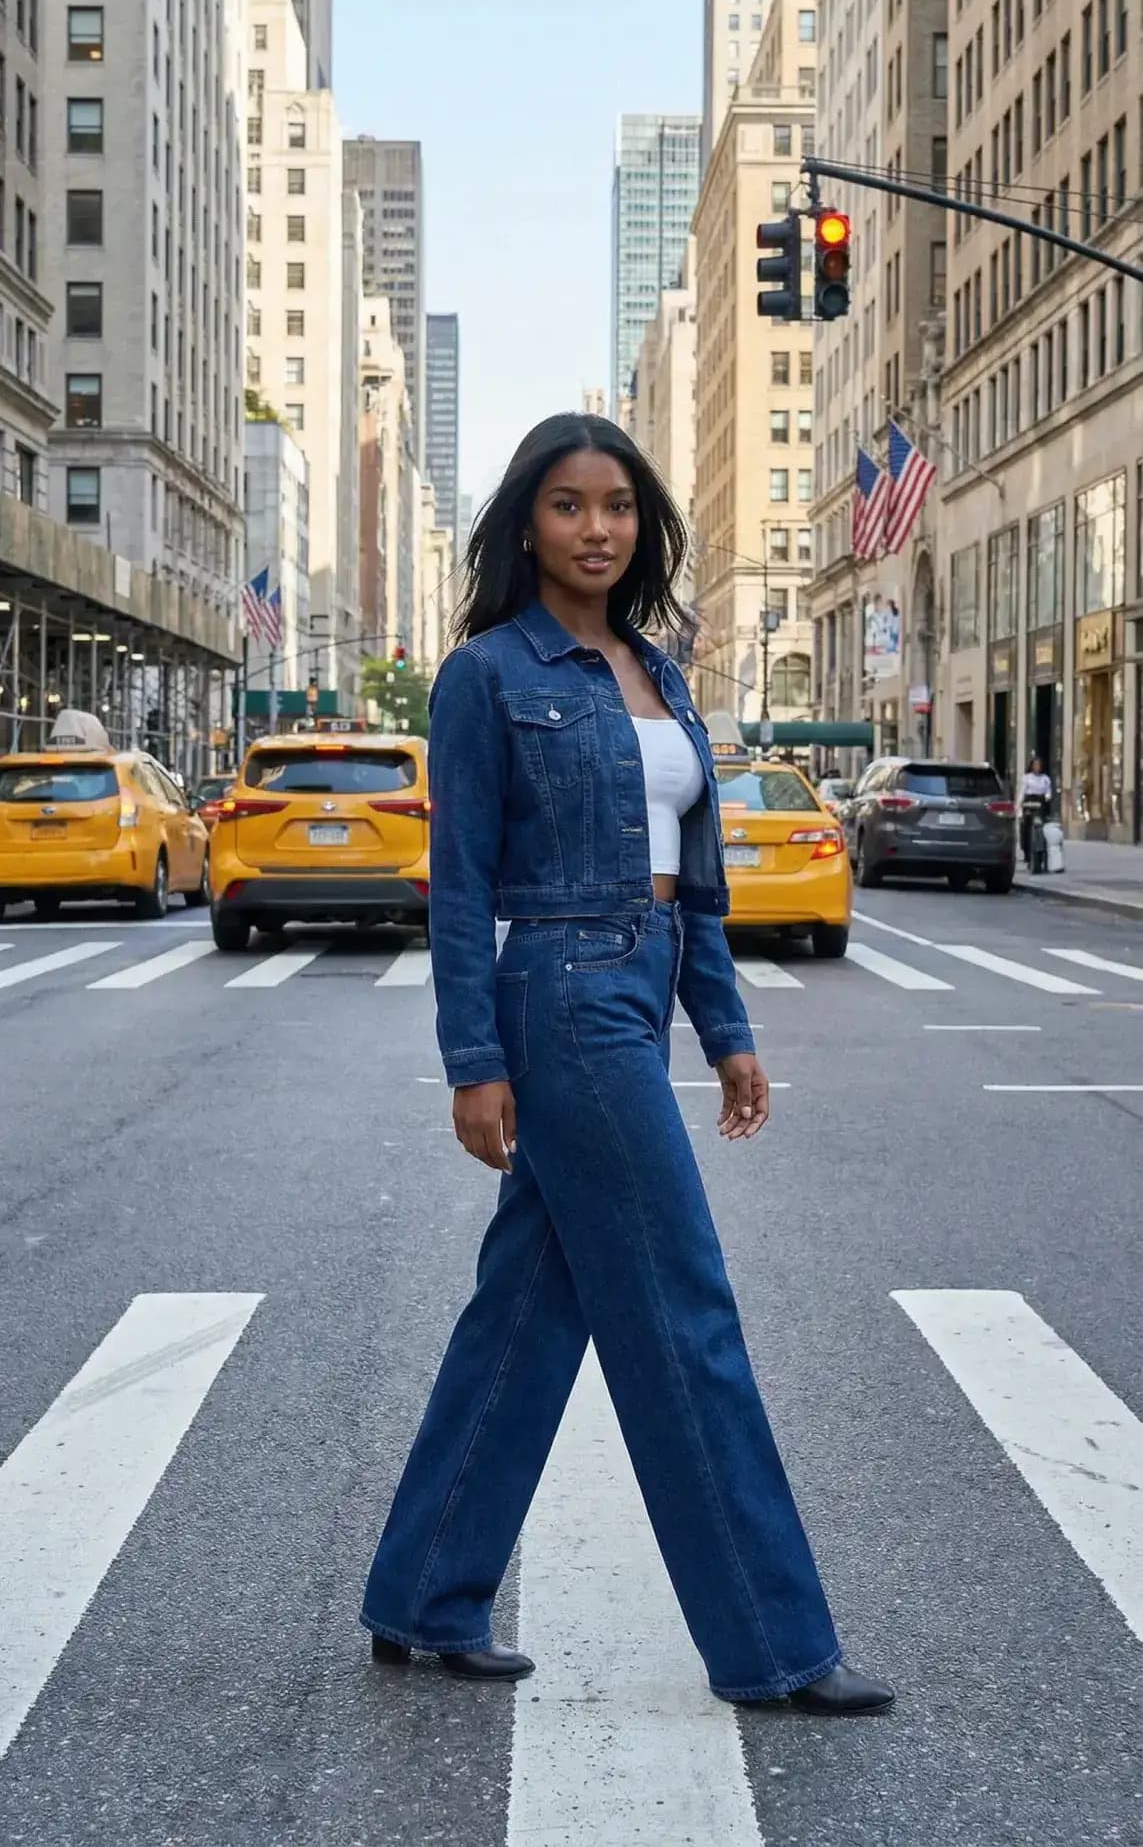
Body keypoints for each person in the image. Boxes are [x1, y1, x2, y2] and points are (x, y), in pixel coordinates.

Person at [360, 413, 893, 1716]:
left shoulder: (661, 674)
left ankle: (424, 1593)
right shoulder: (486, 675)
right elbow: (458, 885)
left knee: (532, 1307)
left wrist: (724, 1031)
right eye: (564, 505)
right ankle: (773, 1645)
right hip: (558, 990)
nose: (594, 528)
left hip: (640, 980)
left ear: (641, 525)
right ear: (524, 525)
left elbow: (694, 891)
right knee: (680, 1308)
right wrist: (472, 1056)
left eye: (615, 506)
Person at [1018, 754, 1052, 866]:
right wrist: (1018, 804)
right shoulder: (1026, 778)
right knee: (1026, 825)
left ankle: (1040, 849)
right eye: (1035, 765)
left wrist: (1047, 797)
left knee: (1040, 825)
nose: (1037, 767)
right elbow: (1022, 792)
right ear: (1032, 766)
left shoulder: (1045, 779)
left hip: (1040, 802)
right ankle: (1027, 850)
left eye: (1039, 765)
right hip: (1029, 802)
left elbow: (1048, 792)